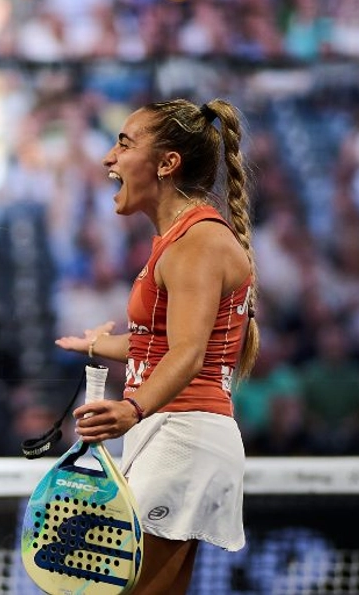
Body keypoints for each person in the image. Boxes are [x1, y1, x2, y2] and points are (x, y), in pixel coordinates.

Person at [55, 99, 259, 595]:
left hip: (184, 436)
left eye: (124, 144)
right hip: (174, 433)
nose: (109, 158)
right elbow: (162, 344)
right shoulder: (180, 240)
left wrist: (131, 408)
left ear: (168, 164)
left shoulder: (198, 243)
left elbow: (187, 354)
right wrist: (101, 345)